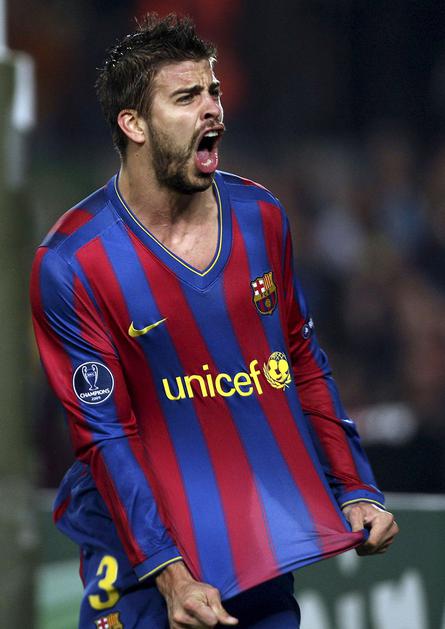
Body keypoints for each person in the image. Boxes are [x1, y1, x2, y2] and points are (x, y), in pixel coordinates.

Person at [30, 13, 398, 629]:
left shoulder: (261, 217)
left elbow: (301, 362)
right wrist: (170, 572)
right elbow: (106, 436)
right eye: (186, 97)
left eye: (214, 91)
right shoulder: (73, 261)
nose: (212, 109)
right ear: (133, 124)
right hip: (138, 561)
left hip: (255, 546)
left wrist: (354, 484)